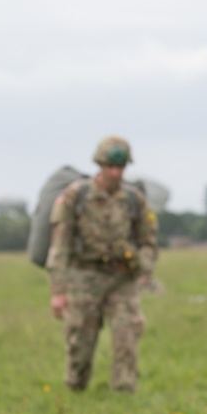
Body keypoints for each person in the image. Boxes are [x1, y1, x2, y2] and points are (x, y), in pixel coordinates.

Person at [45, 135, 158, 393]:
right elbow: (60, 245)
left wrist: (142, 266)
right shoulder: (76, 196)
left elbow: (149, 241)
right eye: (110, 166)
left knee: (127, 336)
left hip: (121, 279)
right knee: (80, 340)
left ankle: (124, 393)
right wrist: (58, 291)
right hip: (84, 276)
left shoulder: (134, 200)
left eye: (120, 167)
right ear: (99, 164)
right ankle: (76, 387)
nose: (115, 172)